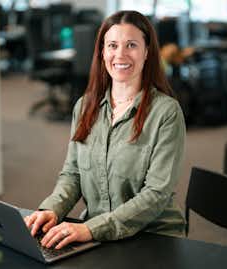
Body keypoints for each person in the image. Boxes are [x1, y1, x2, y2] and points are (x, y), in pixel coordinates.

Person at [24, 10, 186, 250]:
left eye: (131, 45)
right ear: (102, 52)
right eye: (112, 45)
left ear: (147, 52)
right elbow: (73, 174)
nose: (120, 54)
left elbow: (156, 194)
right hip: (97, 235)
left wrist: (91, 229)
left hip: (151, 237)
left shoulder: (166, 113)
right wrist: (52, 209)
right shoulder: (85, 106)